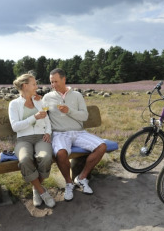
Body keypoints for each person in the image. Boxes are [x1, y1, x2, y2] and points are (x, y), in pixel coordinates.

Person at [42, 68, 106, 202]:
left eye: (56, 81)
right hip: (59, 133)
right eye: (51, 82)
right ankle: (69, 183)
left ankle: (82, 178)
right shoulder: (47, 97)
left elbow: (84, 116)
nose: (53, 85)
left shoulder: (77, 95)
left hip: (78, 132)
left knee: (102, 146)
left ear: (64, 79)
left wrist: (69, 111)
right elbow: (43, 116)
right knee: (60, 153)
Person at [8, 74, 55, 208]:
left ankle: (36, 188)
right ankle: (41, 191)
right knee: (24, 159)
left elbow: (47, 119)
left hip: (41, 137)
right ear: (25, 86)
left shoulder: (39, 101)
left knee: (46, 158)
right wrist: (34, 117)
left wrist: (48, 132)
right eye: (34, 84)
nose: (37, 86)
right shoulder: (14, 104)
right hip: (24, 139)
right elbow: (15, 126)